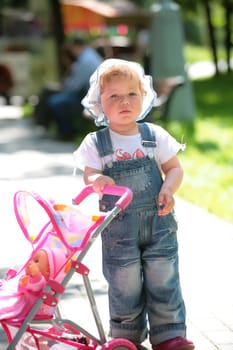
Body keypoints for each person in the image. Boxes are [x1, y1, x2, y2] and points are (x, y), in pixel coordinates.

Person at [73, 59, 195, 350]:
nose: (124, 101)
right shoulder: (96, 143)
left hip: (159, 221)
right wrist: (98, 180)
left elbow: (174, 168)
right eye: (114, 95)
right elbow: (90, 174)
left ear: (143, 98)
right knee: (124, 282)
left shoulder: (154, 136)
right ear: (99, 104)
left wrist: (168, 187)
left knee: (163, 277)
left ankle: (169, 334)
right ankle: (125, 336)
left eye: (131, 94)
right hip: (119, 228)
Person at [47, 36, 103, 140]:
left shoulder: (85, 60)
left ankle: (67, 133)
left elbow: (74, 87)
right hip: (91, 94)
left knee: (56, 102)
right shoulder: (89, 55)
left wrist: (63, 87)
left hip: (90, 98)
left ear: (75, 47)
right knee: (55, 98)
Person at [0, 247, 67, 320]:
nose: (30, 262)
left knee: (5, 304)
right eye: (32, 259)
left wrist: (36, 275)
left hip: (24, 304)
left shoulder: (41, 282)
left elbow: (37, 284)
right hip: (17, 296)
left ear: (48, 270)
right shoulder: (29, 277)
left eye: (36, 261)